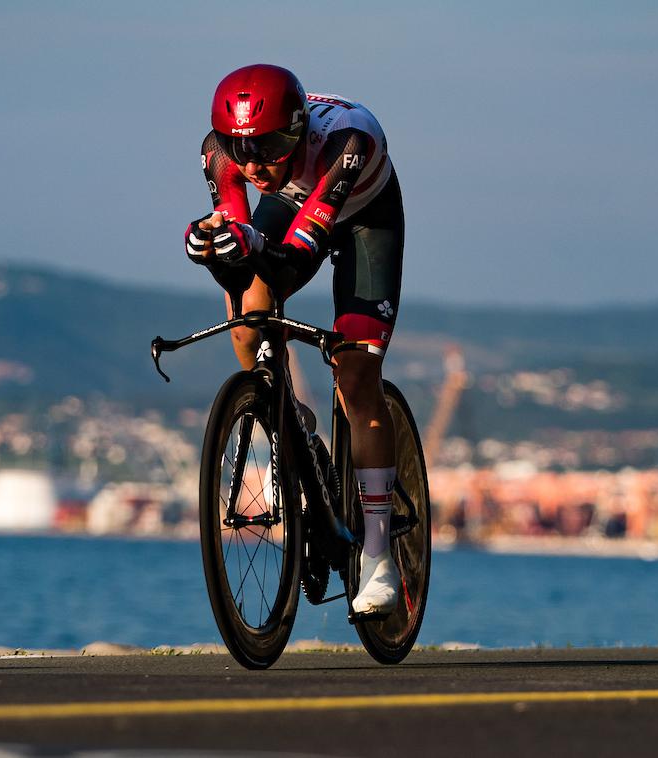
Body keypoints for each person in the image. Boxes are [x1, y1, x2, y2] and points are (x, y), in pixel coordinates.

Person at [184, 64, 404, 617]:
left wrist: (252, 242)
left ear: (300, 131)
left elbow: (301, 253)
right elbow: (236, 229)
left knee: (355, 375)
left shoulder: (346, 143)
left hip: (360, 211)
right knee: (248, 297)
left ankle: (379, 555)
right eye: (243, 150)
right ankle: (285, 412)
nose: (255, 164)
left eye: (271, 147)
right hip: (294, 199)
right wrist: (212, 242)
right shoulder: (220, 153)